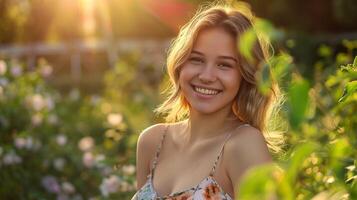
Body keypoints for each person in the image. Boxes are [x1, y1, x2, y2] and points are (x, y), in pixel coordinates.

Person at [132, 2, 281, 200]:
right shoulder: (151, 142)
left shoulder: (243, 144)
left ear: (244, 75)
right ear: (180, 64)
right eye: (197, 59)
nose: (207, 76)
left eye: (224, 65)